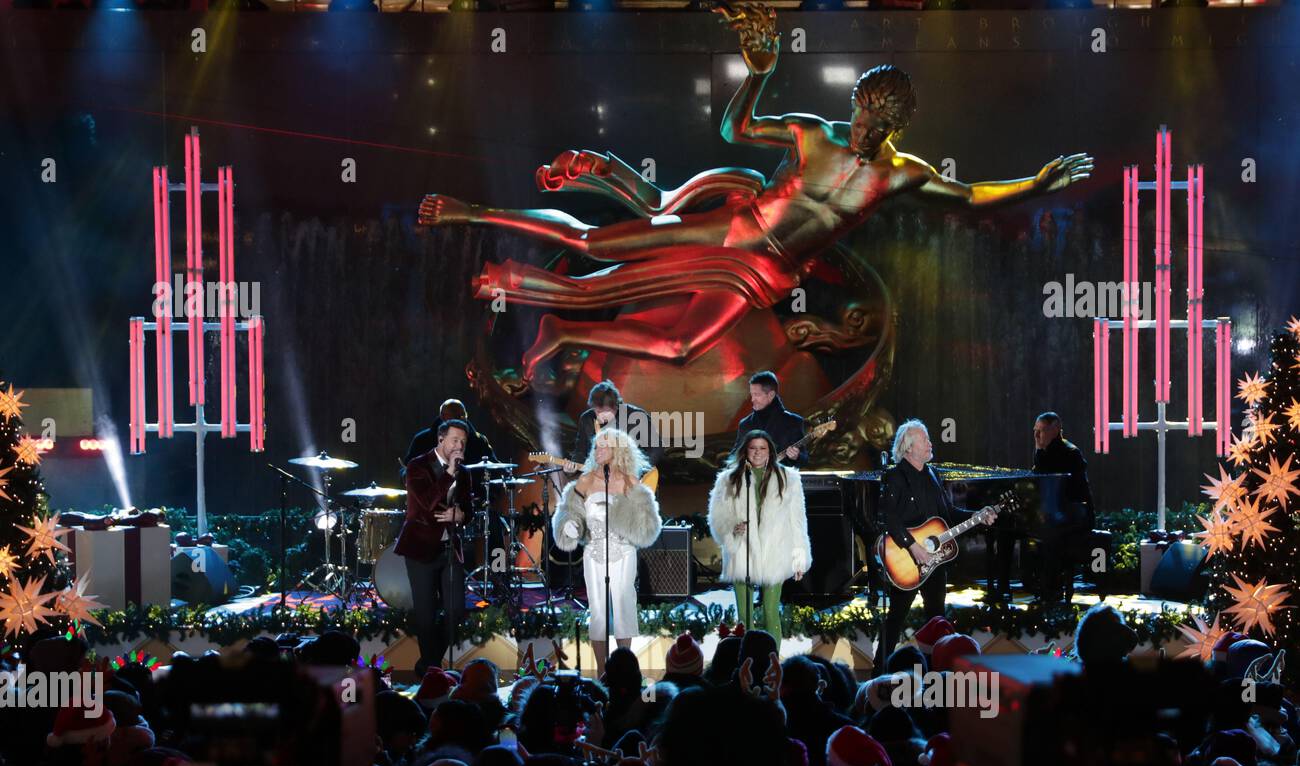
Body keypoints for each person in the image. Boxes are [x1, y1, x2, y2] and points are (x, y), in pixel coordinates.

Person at [418, 5, 1091, 382]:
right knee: (594, 244)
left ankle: (563, 328)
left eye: (875, 125)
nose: (861, 129)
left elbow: (969, 196)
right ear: (853, 105)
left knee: (683, 347)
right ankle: (470, 212)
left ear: (896, 127)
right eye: (859, 114)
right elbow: (734, 126)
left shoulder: (900, 174)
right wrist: (757, 75)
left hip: (764, 273)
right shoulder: (814, 134)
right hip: (733, 229)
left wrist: (1036, 182)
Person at [878, 420, 995, 672]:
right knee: (895, 619)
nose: (930, 443)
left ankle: (936, 674)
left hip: (935, 561)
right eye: (924, 440)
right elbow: (888, 517)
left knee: (937, 619)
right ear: (909, 447)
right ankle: (880, 673)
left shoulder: (933, 474)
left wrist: (979, 515)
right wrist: (912, 546)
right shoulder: (895, 476)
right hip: (906, 560)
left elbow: (948, 514)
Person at [552, 427, 663, 650]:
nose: (598, 450)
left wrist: (625, 519)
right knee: (598, 611)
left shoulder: (631, 482)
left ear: (618, 450)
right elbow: (569, 511)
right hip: (594, 553)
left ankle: (623, 665)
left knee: (624, 606)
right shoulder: (584, 481)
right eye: (596, 446)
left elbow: (647, 523)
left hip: (623, 551)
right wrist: (571, 525)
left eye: (604, 446)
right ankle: (602, 672)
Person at [707, 429, 811, 640]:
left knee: (771, 612)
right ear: (745, 451)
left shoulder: (788, 479)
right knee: (745, 617)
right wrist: (732, 528)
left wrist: (800, 558)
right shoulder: (729, 479)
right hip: (742, 550)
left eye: (762, 448)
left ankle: (772, 666)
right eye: (753, 448)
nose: (757, 453)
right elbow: (717, 516)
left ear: (770, 451)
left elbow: (798, 521)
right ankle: (747, 663)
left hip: (775, 550)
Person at [393, 419, 475, 676]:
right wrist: (449, 472)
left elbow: (468, 510)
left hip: (450, 549)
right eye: (454, 440)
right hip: (420, 549)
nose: (459, 446)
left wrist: (461, 515)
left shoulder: (466, 472)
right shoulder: (417, 466)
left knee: (456, 613)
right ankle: (431, 672)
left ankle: (428, 666)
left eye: (463, 442)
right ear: (441, 440)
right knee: (426, 618)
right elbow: (427, 502)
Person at [993, 412, 1095, 602]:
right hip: (1049, 513)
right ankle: (1003, 587)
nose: (1036, 436)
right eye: (1035, 431)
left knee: (1051, 534)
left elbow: (1066, 492)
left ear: (1055, 430)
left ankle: (1051, 590)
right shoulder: (1043, 450)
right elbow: (1037, 481)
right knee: (1005, 530)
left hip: (1073, 514)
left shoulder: (1070, 453)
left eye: (1041, 431)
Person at [564, 380, 661, 479]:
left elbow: (657, 447)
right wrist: (572, 467)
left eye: (606, 412)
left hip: (636, 479)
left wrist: (641, 471)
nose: (600, 415)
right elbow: (580, 451)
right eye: (597, 411)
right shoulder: (587, 419)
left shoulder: (636, 416)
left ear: (616, 406)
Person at [733, 370, 807, 466]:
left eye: (757, 395)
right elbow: (734, 456)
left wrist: (796, 456)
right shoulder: (745, 424)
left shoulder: (793, 422)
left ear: (771, 395)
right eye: (752, 394)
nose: (752, 399)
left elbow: (804, 459)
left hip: (781, 479)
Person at [404, 399, 496, 467]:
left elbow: (494, 467)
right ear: (443, 417)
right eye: (456, 416)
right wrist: (406, 476)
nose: (462, 420)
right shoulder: (422, 440)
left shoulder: (478, 441)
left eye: (464, 416)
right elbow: (406, 468)